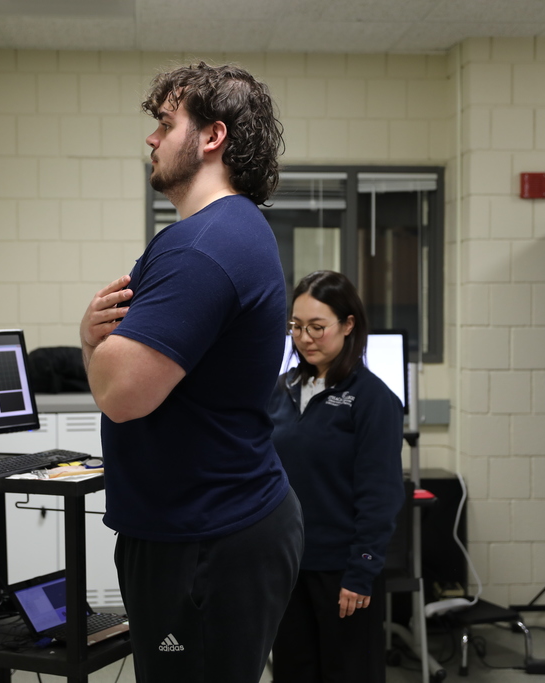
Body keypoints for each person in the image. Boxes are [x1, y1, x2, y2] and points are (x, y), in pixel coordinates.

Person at [78, 62, 304, 683]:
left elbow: (122, 393)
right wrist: (102, 350)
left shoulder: (204, 247)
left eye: (164, 123)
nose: (150, 139)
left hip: (208, 540)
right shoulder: (229, 232)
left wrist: (88, 343)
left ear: (213, 137)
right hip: (213, 524)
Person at [268, 270, 405, 683]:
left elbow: (379, 495)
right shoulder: (280, 389)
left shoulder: (372, 399)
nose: (304, 338)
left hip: (342, 572)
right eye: (296, 326)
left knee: (347, 672)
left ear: (348, 325)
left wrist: (361, 572)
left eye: (317, 327)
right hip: (288, 567)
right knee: (294, 671)